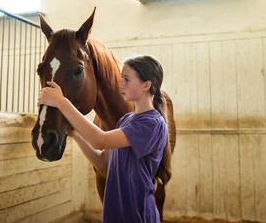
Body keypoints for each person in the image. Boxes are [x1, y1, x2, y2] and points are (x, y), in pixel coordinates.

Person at [37, 55, 168, 223]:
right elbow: (102, 162)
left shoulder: (151, 123)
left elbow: (100, 140)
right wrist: (76, 135)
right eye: (121, 78)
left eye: (126, 79)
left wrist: (62, 102)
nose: (120, 84)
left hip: (137, 215)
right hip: (114, 215)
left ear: (146, 85)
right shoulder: (125, 120)